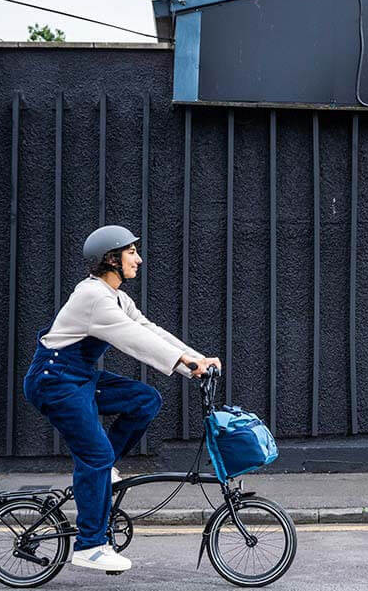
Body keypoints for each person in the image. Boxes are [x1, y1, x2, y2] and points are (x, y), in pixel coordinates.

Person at [23, 225, 221, 573]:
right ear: (111, 258)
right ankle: (90, 545)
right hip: (55, 382)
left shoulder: (115, 296)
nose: (139, 259)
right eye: (131, 252)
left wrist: (196, 357)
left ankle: (102, 471)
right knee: (95, 455)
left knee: (144, 400)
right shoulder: (93, 298)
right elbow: (133, 340)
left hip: (79, 378)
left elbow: (149, 329)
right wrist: (185, 365)